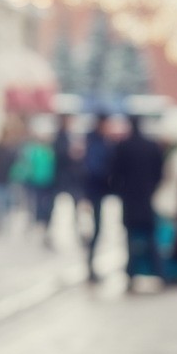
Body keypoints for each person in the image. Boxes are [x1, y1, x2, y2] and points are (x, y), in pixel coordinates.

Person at [110, 114, 165, 288]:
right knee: (151, 238)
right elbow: (159, 172)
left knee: (131, 239)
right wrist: (152, 188)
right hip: (148, 198)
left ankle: (131, 273)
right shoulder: (151, 146)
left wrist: (121, 191)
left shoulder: (123, 146)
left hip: (130, 199)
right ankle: (160, 272)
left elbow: (115, 172)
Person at [82, 112, 114, 281]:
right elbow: (95, 168)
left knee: (97, 229)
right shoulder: (97, 142)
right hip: (94, 191)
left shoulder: (97, 141)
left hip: (95, 191)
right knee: (96, 229)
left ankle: (91, 265)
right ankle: (90, 266)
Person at [11, 129, 56, 249]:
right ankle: (38, 222)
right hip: (35, 182)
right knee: (37, 204)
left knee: (46, 206)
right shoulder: (33, 151)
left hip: (49, 183)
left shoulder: (50, 151)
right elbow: (27, 165)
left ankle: (42, 223)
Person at [52, 114, 84, 236]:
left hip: (70, 177)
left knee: (75, 205)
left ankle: (77, 228)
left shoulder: (70, 137)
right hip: (62, 177)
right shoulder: (60, 137)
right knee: (58, 205)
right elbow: (60, 156)